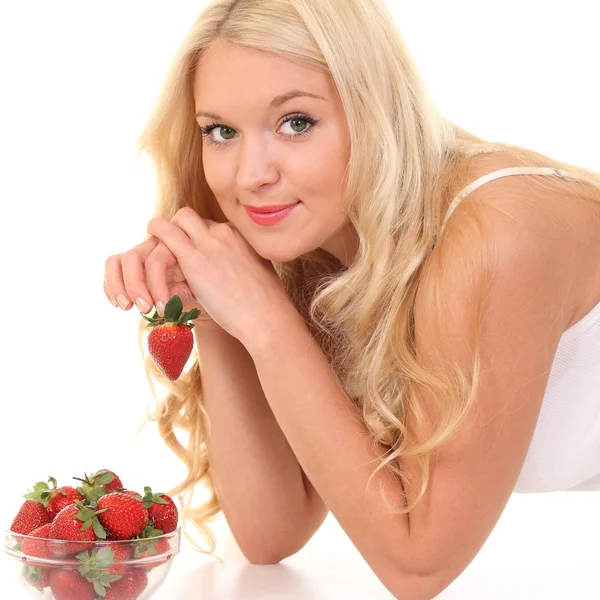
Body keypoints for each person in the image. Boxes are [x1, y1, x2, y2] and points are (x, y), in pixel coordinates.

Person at [102, 0, 600, 598]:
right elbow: (270, 531)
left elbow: (419, 567)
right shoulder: (320, 244)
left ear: (376, 111)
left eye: (296, 122)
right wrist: (214, 305)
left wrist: (265, 322)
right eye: (221, 132)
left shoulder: (494, 232)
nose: (249, 174)